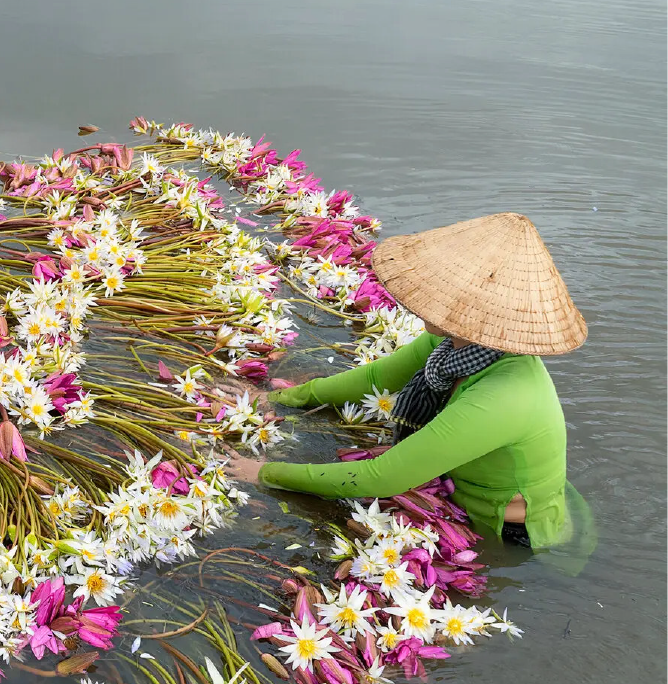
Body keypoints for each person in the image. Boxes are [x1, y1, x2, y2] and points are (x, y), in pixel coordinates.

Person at [225, 213, 592, 551]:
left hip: (507, 529)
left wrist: (265, 473)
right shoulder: (453, 343)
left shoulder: (506, 396)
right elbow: (375, 377)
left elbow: (382, 478)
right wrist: (282, 400)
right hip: (460, 483)